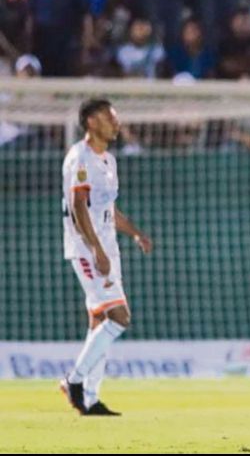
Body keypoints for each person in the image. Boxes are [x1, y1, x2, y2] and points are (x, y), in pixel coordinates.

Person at [59, 99, 153, 416]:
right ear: (91, 122)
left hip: (108, 247)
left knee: (99, 321)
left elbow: (108, 209)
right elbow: (78, 207)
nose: (116, 122)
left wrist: (135, 233)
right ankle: (73, 380)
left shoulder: (109, 160)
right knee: (120, 317)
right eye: (109, 117)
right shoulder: (80, 157)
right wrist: (96, 250)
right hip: (87, 249)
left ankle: (91, 397)